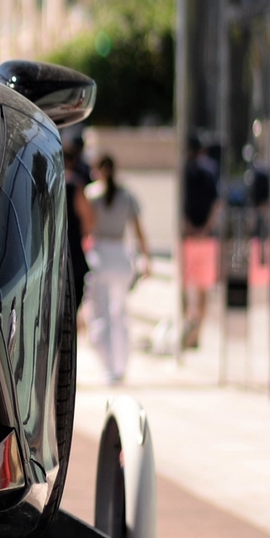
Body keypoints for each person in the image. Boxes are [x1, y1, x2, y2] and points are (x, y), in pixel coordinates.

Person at [86, 155, 152, 384]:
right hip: (122, 256)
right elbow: (139, 229)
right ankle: (121, 364)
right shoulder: (126, 195)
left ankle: (108, 365)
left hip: (101, 256)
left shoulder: (91, 194)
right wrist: (147, 258)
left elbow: (86, 227)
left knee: (101, 313)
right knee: (120, 314)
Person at [180, 137, 221, 348]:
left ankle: (189, 327)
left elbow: (180, 203)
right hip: (205, 237)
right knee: (202, 288)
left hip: (189, 236)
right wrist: (206, 228)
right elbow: (217, 202)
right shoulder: (210, 171)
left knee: (186, 286)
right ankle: (196, 333)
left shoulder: (185, 171)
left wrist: (188, 226)